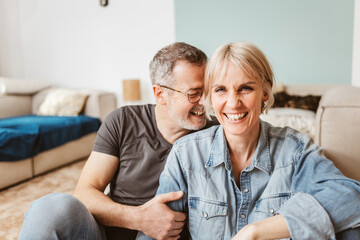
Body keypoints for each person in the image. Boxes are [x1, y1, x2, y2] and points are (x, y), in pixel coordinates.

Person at [137, 41, 360, 240]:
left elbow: (352, 198)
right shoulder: (186, 154)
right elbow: (156, 231)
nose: (233, 103)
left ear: (264, 92)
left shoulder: (294, 149)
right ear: (210, 98)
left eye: (245, 88)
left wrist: (255, 232)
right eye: (221, 90)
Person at [19, 42, 218, 240]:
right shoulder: (123, 120)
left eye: (208, 91)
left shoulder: (217, 132)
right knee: (50, 207)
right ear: (160, 94)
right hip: (107, 235)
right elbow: (85, 193)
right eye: (194, 94)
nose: (204, 102)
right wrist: (140, 219)